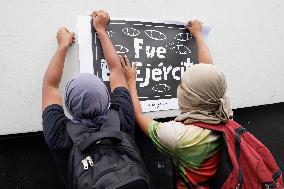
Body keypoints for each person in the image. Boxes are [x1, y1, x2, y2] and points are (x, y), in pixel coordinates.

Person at [120, 20, 233, 189]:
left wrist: (131, 82)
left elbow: (138, 115)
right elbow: (208, 72)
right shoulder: (223, 109)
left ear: (190, 97)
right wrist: (198, 35)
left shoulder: (178, 135)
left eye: (183, 86)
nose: (179, 87)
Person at [42, 10, 140, 188]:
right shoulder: (122, 117)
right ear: (106, 95)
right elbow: (116, 71)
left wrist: (62, 46)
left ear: (69, 104)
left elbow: (50, 86)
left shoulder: (59, 134)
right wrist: (101, 30)